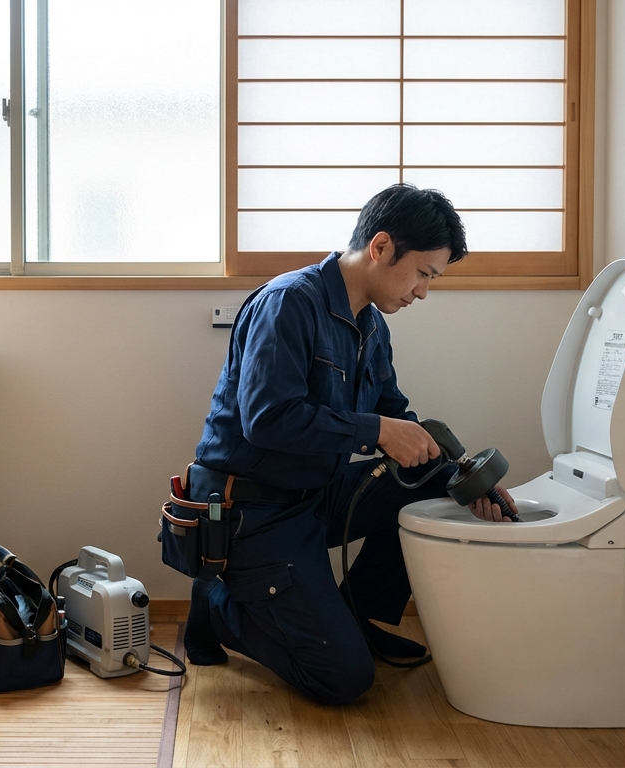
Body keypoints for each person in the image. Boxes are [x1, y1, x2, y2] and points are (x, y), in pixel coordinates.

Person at [180, 183, 516, 705]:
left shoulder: (371, 325)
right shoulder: (289, 303)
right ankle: (218, 607)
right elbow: (267, 420)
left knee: (426, 479)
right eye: (424, 273)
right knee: (344, 678)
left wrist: (466, 481)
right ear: (381, 247)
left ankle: (353, 616)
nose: (424, 291)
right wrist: (378, 431)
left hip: (315, 493)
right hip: (250, 509)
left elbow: (395, 413)